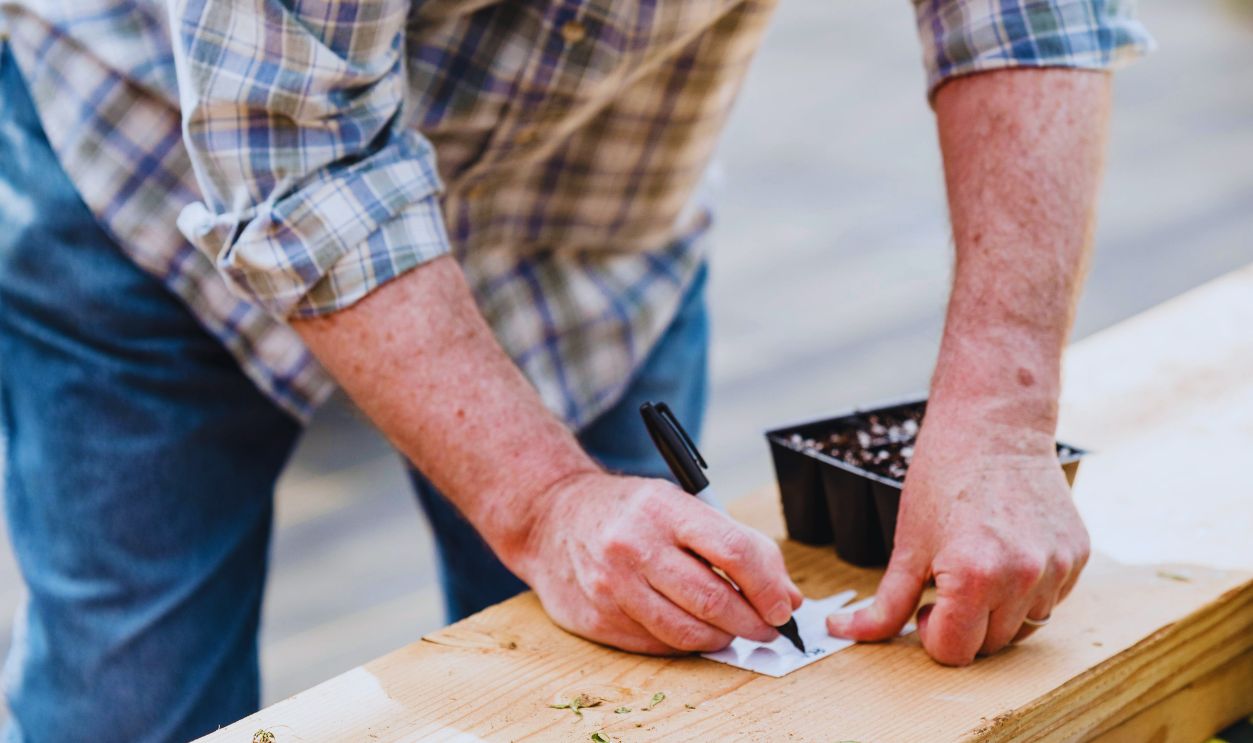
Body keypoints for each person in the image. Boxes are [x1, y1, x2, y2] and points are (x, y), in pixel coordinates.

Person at [0, 0, 1151, 739]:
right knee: (125, 700)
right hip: (150, 170)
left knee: (630, 705)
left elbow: (1025, 18)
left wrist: (1001, 412)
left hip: (584, 225)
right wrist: (546, 503)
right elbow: (287, 149)